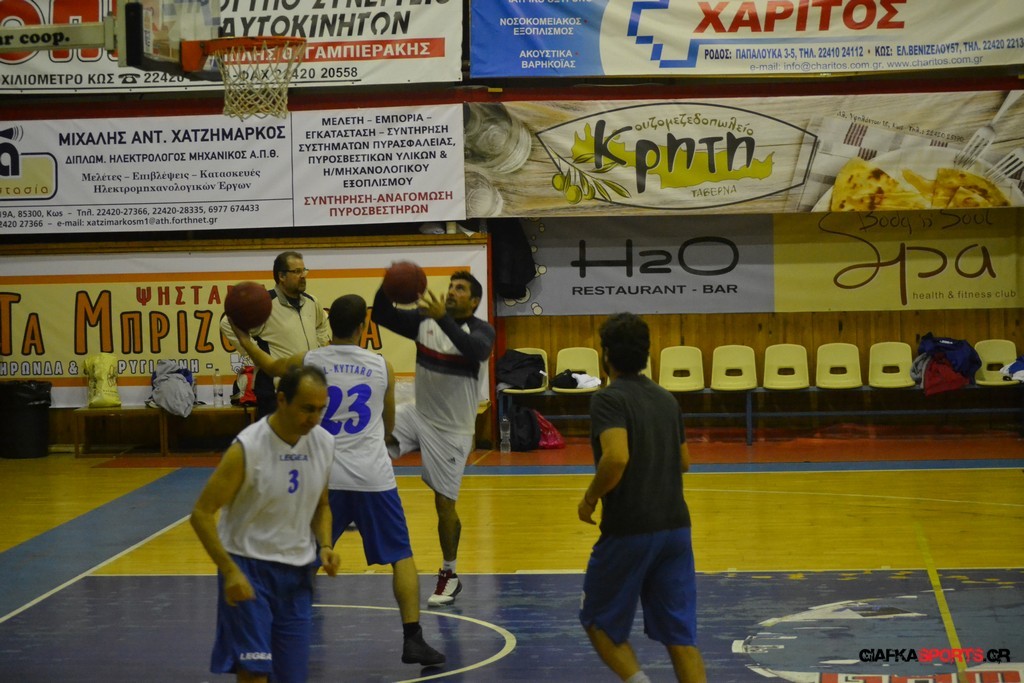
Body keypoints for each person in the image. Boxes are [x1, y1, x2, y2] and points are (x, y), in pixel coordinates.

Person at [229, 294, 446, 666]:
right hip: (372, 476)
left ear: (330, 325)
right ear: (364, 326)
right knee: (401, 556)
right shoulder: (381, 366)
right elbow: (388, 426)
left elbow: (269, 365)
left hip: (324, 475)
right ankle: (413, 639)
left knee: (303, 559)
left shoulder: (310, 361)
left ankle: (273, 634)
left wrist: (245, 339)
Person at [577, 313, 707, 683]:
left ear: (605, 354)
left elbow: (616, 457)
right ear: (646, 354)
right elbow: (684, 462)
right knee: (680, 638)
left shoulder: (608, 399)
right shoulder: (666, 399)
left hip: (630, 529)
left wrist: (590, 498)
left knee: (598, 622)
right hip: (676, 529)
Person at [190, 365, 340, 683]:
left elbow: (322, 505)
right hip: (248, 568)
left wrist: (325, 545)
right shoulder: (248, 448)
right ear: (282, 400)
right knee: (255, 672)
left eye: (320, 409)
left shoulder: (324, 443)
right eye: (307, 409)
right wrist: (230, 570)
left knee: (292, 677)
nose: (314, 418)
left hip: (297, 573)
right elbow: (201, 513)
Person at [372, 270, 495, 607]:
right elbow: (382, 314)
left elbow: (475, 351)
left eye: (461, 289)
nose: (452, 291)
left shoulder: (482, 330)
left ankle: (449, 574)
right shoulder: (424, 321)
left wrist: (442, 319)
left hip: (452, 431)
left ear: (474, 301)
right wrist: (389, 284)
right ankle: (360, 504)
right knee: (371, 441)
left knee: (444, 504)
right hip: (419, 414)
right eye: (451, 286)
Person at [220, 251, 331, 418]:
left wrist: (320, 347)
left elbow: (322, 324)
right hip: (276, 393)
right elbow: (227, 323)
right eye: (297, 271)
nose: (303, 276)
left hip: (308, 389)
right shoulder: (265, 303)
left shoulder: (312, 301)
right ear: (281, 276)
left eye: (304, 270)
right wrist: (254, 352)